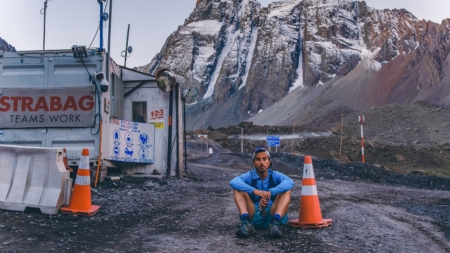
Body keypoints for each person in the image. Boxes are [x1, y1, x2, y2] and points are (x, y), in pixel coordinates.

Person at [230, 147, 294, 238]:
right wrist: (255, 191)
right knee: (237, 188)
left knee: (286, 190)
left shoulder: (274, 175)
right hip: (253, 213)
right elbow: (233, 182)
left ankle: (275, 224)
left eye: (264, 159)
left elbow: (290, 182)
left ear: (269, 161)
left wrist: (270, 192)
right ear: (253, 162)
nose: (261, 163)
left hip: (272, 213)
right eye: (258, 159)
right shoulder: (250, 175)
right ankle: (246, 222)